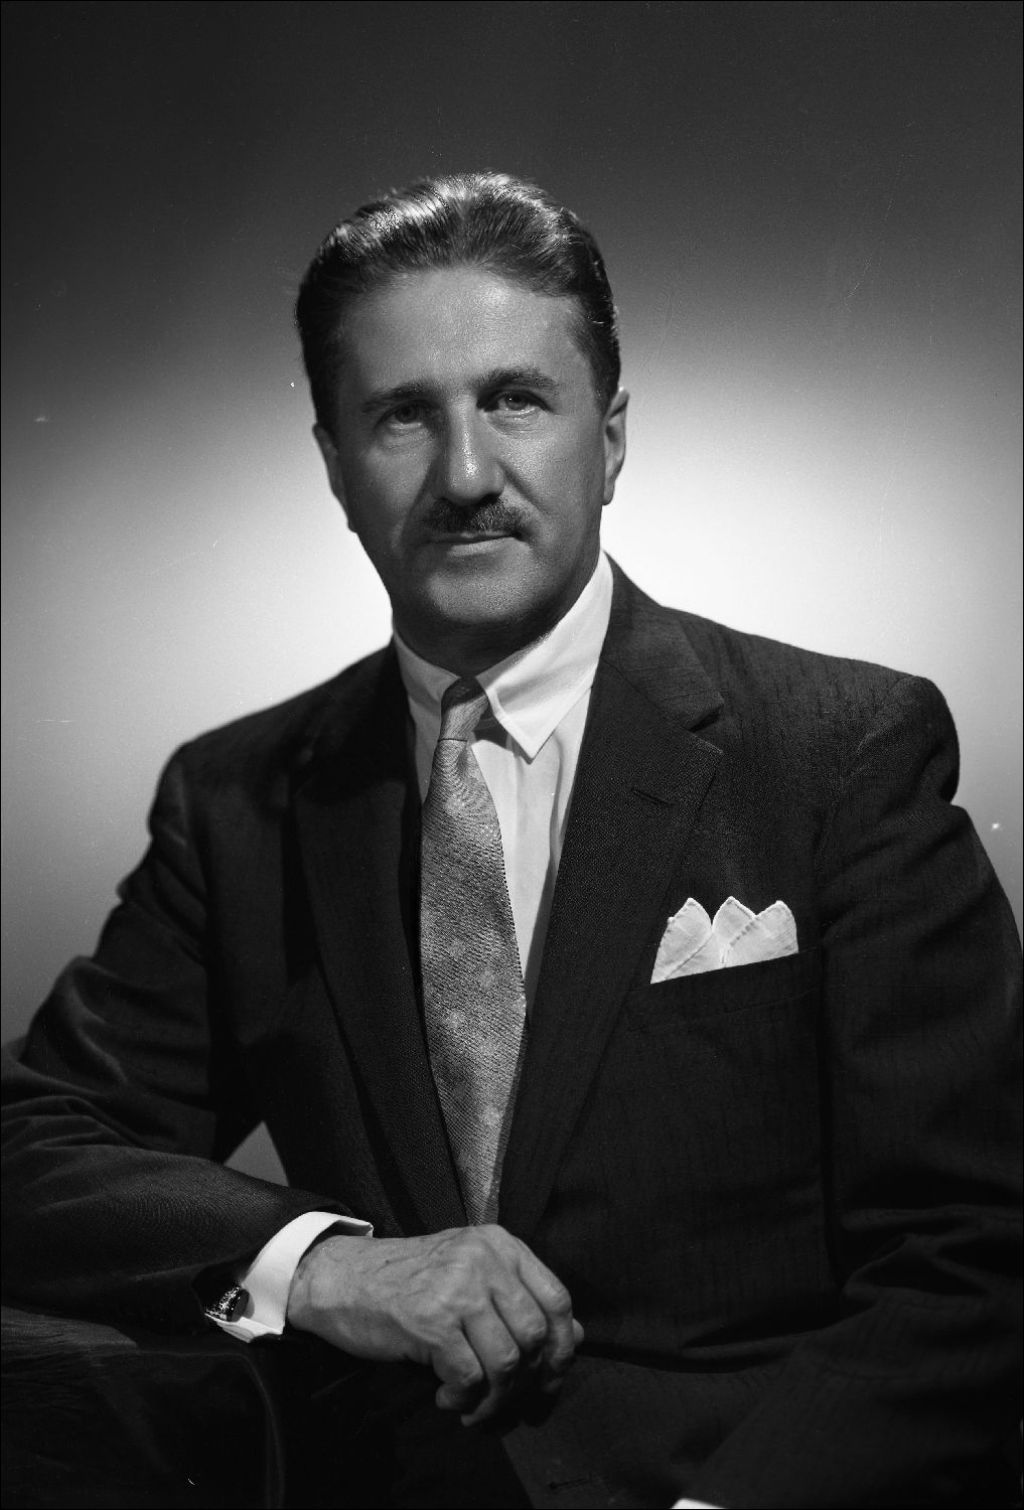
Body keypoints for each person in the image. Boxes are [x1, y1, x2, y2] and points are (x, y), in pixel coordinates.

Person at [2, 172, 1021, 1510]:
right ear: (332, 464)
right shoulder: (240, 799)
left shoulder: (842, 753)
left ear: (612, 437)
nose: (467, 475)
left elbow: (975, 1259)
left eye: (516, 400)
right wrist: (324, 1264)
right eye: (402, 416)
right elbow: (28, 1144)